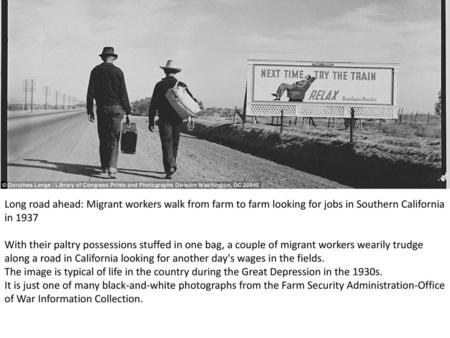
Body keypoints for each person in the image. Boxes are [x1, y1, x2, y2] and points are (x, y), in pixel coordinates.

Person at [148, 60, 199, 179]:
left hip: (164, 119)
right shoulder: (181, 84)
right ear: (176, 72)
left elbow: (153, 104)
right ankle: (173, 162)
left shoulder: (159, 85)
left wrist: (151, 120)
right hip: (177, 119)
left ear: (165, 71)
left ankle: (169, 167)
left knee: (166, 143)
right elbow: (191, 100)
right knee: (175, 143)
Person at [86, 47, 132, 179]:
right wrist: (128, 111)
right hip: (117, 109)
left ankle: (104, 166)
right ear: (113, 58)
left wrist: (90, 110)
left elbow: (90, 93)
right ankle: (112, 167)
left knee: (103, 137)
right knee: (114, 138)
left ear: (102, 57)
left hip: (103, 109)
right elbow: (124, 93)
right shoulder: (118, 72)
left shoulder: (95, 71)